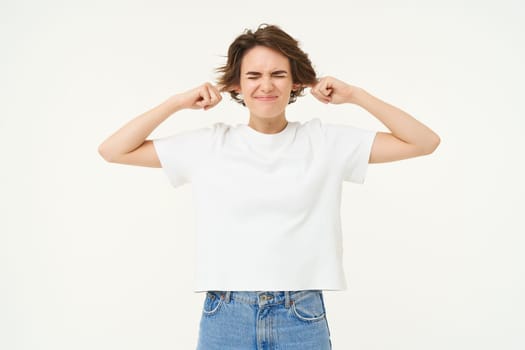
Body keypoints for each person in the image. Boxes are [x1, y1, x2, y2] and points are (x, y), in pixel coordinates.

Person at [98, 24, 440, 350]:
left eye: (278, 74)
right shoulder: (209, 145)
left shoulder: (324, 141)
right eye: (254, 75)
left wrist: (356, 96)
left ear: (295, 83)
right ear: (236, 85)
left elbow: (424, 142)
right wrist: (176, 102)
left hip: (300, 315)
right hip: (226, 314)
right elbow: (113, 150)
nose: (266, 85)